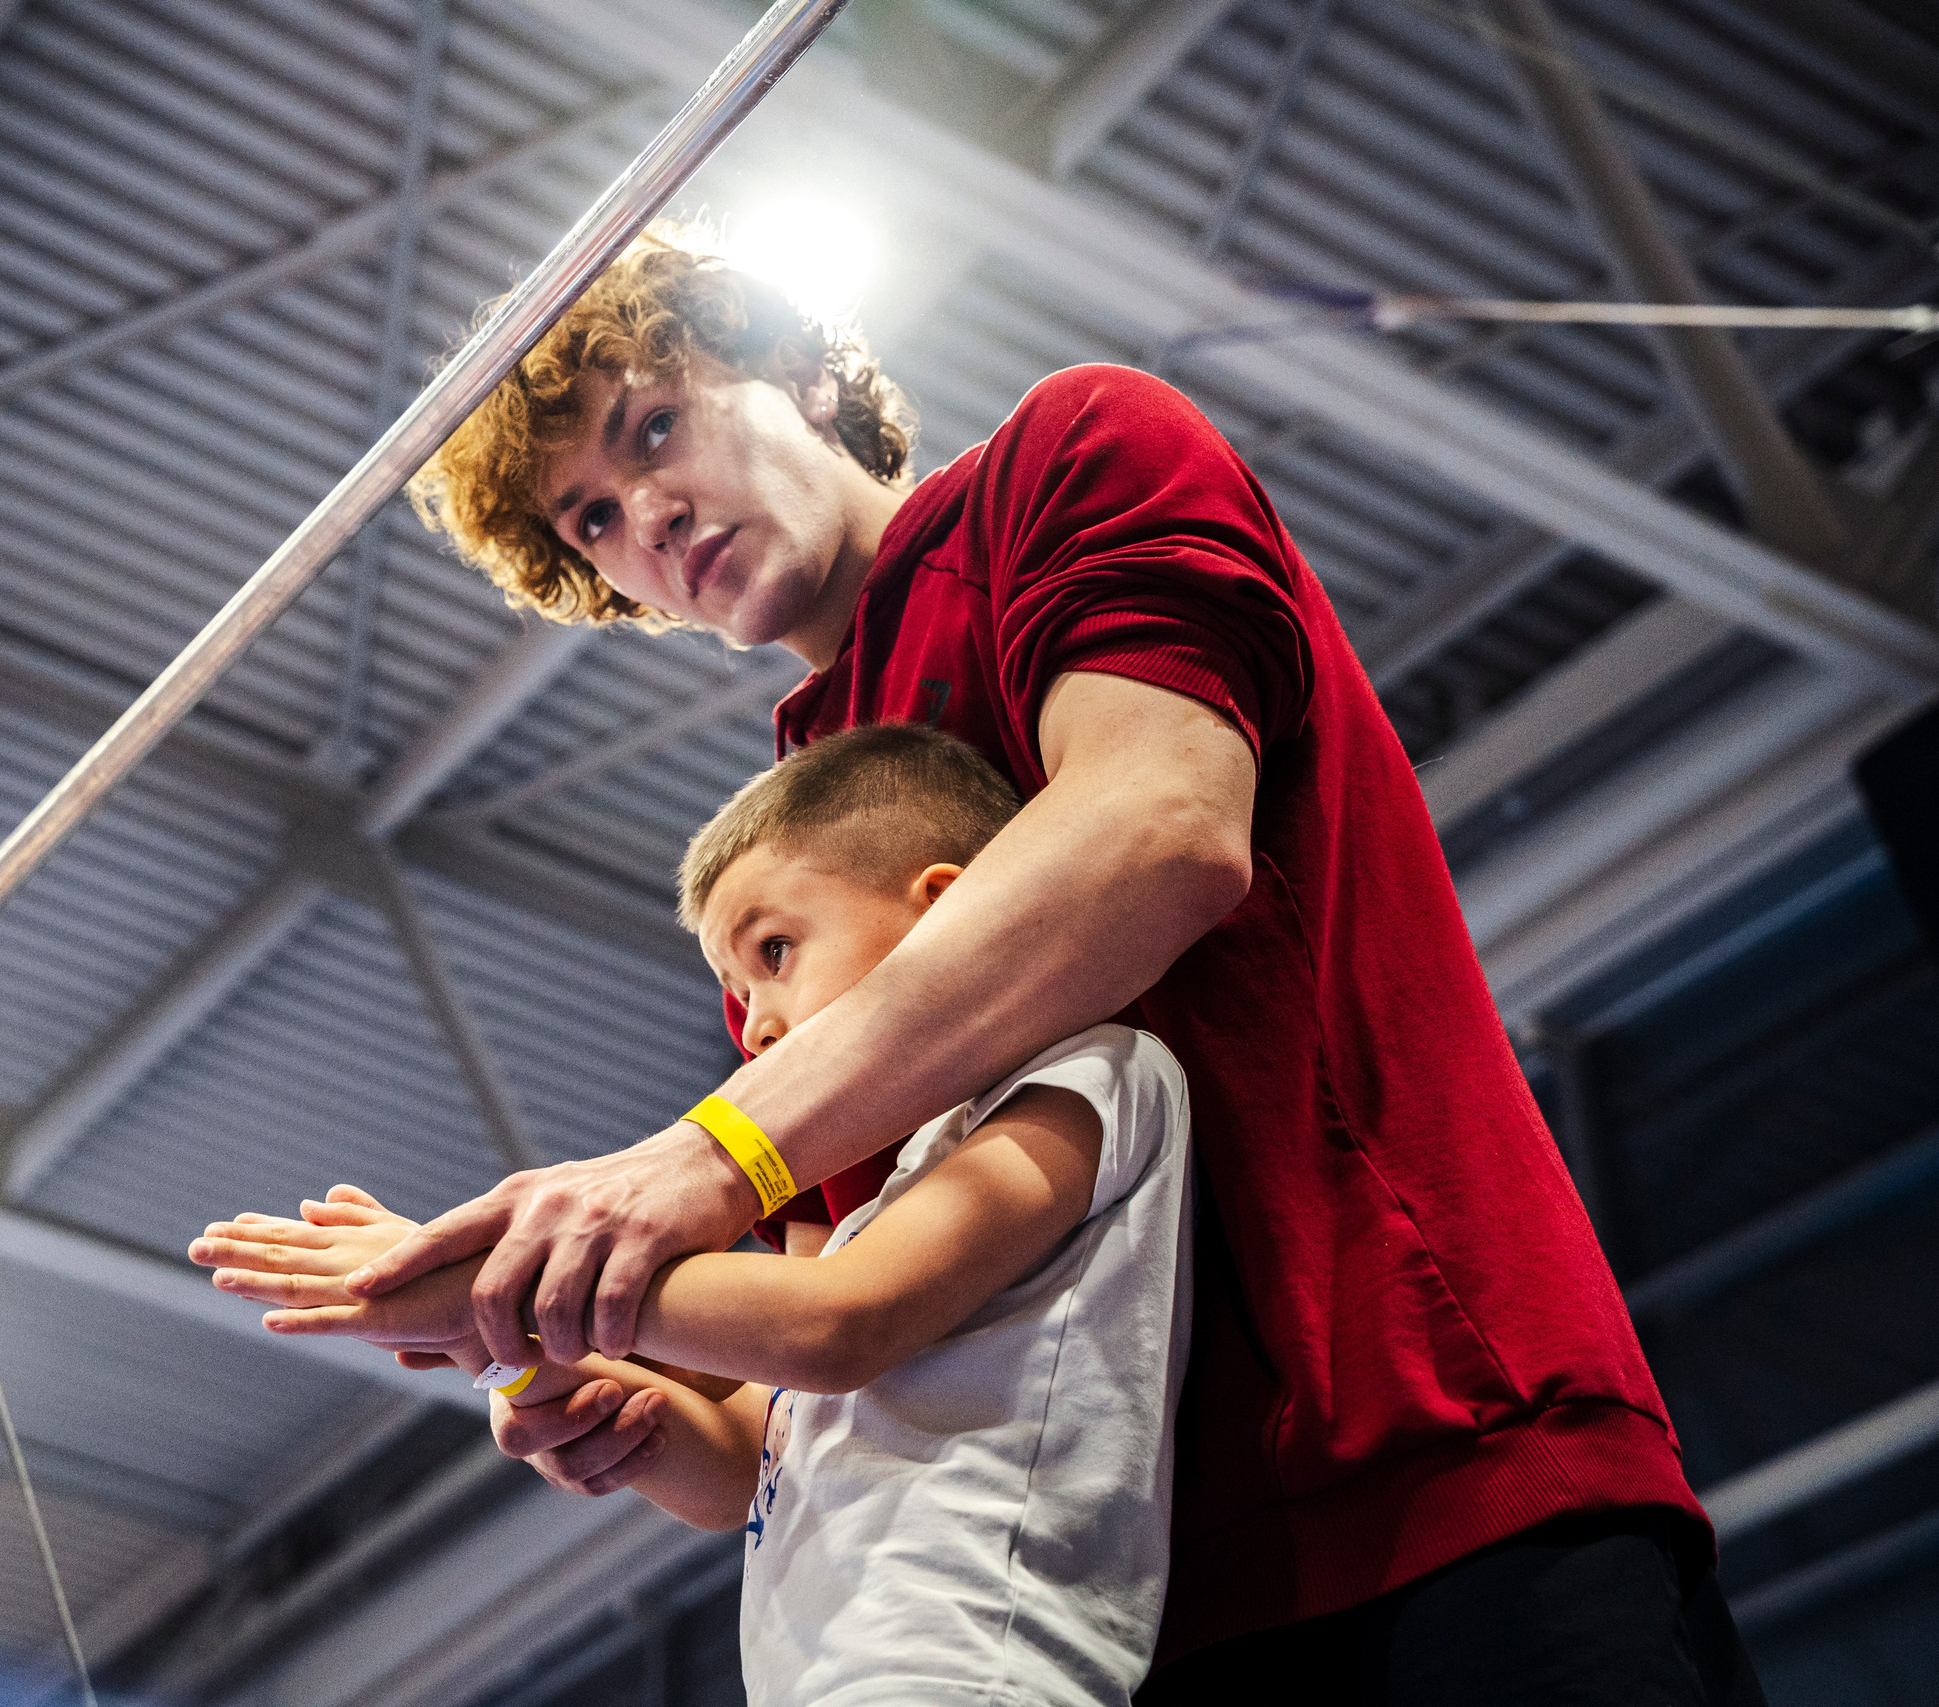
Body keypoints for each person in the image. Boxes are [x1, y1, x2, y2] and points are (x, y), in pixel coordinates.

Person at [328, 226, 1762, 1702]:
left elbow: (1160, 830)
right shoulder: (780, 883)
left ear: (808, 368)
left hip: (1427, 1451)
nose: (648, 514)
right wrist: (651, 1400)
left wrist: (704, 1164)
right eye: (593, 521)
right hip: (1113, 1610)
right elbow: (855, 1343)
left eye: (653, 425)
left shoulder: (1074, 454)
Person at [194, 723, 1198, 1706]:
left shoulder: (1094, 1075)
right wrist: (503, 1343)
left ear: (945, 908)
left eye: (773, 950)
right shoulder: (874, 1204)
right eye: (733, 987)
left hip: (966, 1661)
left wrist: (494, 1278)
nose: (755, 1022)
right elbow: (742, 1472)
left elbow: (836, 1325)